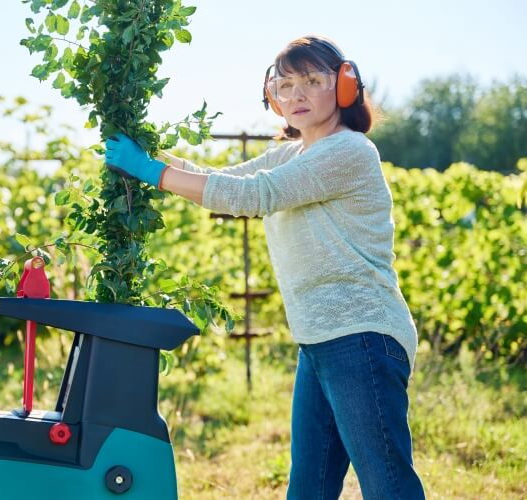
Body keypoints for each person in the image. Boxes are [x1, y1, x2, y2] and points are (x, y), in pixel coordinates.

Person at [104, 34, 426, 499]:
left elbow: (251, 196)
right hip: (318, 337)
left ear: (344, 87)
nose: (296, 95)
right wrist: (150, 154)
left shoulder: (349, 151)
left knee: (387, 483)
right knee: (308, 487)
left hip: (361, 335)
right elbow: (222, 181)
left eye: (312, 81)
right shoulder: (295, 152)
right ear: (271, 93)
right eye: (285, 83)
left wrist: (151, 172)